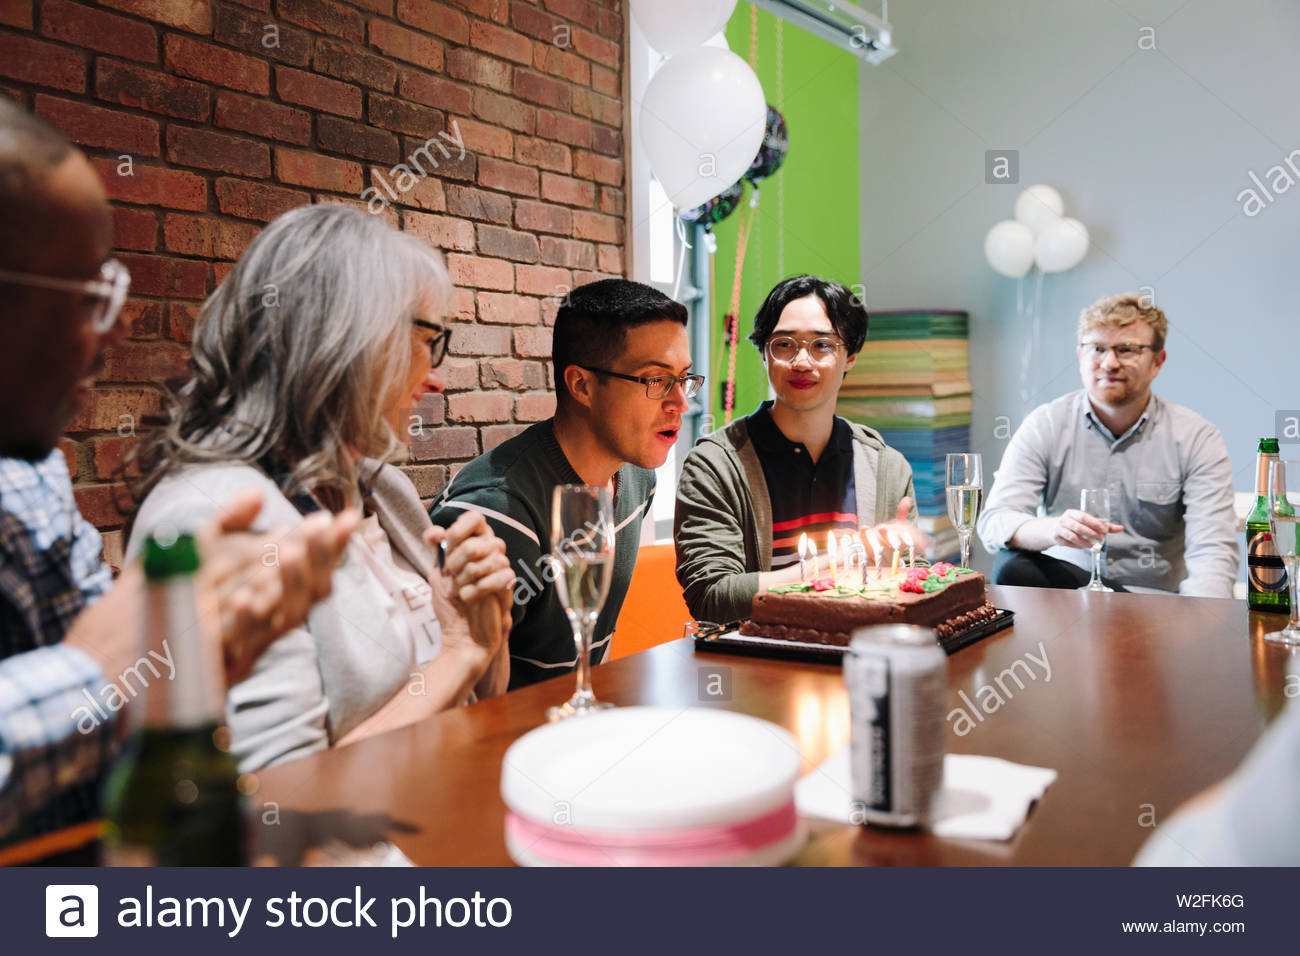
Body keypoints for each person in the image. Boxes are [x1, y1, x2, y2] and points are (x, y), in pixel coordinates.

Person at [0, 100, 355, 845]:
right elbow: (108, 672)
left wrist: (201, 654)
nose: (121, 324)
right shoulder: (213, 498)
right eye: (92, 292)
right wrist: (90, 676)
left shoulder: (34, 474)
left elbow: (140, 719)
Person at [128, 203, 515, 772]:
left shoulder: (383, 489)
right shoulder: (210, 517)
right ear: (348, 340)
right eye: (428, 339)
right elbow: (277, 795)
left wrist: (487, 622)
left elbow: (484, 698)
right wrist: (460, 652)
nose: (435, 377)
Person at [429, 279, 694, 689]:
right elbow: (455, 695)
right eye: (656, 381)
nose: (680, 402)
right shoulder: (498, 512)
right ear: (582, 385)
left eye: (685, 379)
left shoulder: (639, 476)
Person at [675, 275, 929, 625]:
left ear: (851, 356)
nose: (802, 362)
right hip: (758, 667)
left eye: (823, 345)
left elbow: (914, 584)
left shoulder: (886, 466)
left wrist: (906, 562)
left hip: (861, 662)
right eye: (784, 344)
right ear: (764, 354)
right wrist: (841, 561)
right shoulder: (716, 464)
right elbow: (712, 597)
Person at [977, 292, 1238, 596]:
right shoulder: (1045, 424)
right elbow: (995, 521)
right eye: (1097, 349)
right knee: (1012, 566)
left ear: (1157, 362)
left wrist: (1198, 627)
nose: (1110, 362)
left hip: (1155, 613)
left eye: (1127, 350)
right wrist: (1054, 529)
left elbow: (1212, 555)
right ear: (1080, 357)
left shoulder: (1197, 437)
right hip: (1070, 603)